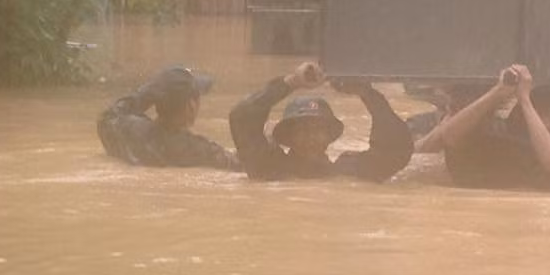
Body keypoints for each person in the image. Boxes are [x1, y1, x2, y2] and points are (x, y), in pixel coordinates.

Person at [424, 64, 550, 192]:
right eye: (543, 114)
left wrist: (525, 100)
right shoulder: (505, 142)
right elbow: (450, 137)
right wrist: (498, 92)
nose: (548, 124)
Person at [228, 62, 414, 182]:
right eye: (302, 129)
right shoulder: (269, 166)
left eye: (318, 129)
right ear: (288, 136)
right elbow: (242, 118)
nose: (311, 137)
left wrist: (367, 93)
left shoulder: (350, 170)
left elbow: (397, 149)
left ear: (329, 135)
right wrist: (292, 82)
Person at [98, 65, 239, 169]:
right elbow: (248, 166)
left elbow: (109, 114)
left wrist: (149, 92)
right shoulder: (199, 150)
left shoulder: (128, 130)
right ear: (191, 106)